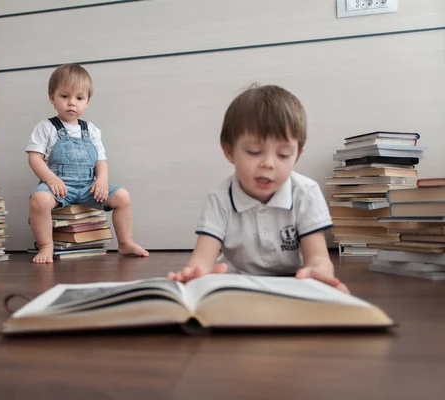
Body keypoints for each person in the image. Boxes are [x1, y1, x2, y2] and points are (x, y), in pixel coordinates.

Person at [167, 84, 349, 293]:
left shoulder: (305, 192)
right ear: (228, 151)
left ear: (297, 155)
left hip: (295, 279)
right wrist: (194, 274)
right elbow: (202, 260)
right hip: (239, 280)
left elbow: (318, 258)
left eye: (283, 155)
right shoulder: (220, 199)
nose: (269, 164)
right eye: (254, 151)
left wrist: (319, 272)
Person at [26, 64, 149, 263]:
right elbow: (34, 158)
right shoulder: (46, 127)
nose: (71, 103)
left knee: (123, 197)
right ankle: (46, 245)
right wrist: (50, 179)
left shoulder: (91, 130)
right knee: (38, 200)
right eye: (64, 96)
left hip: (87, 187)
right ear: (52, 97)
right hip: (59, 186)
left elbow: (101, 160)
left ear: (87, 102)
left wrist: (101, 181)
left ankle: (125, 242)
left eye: (79, 98)